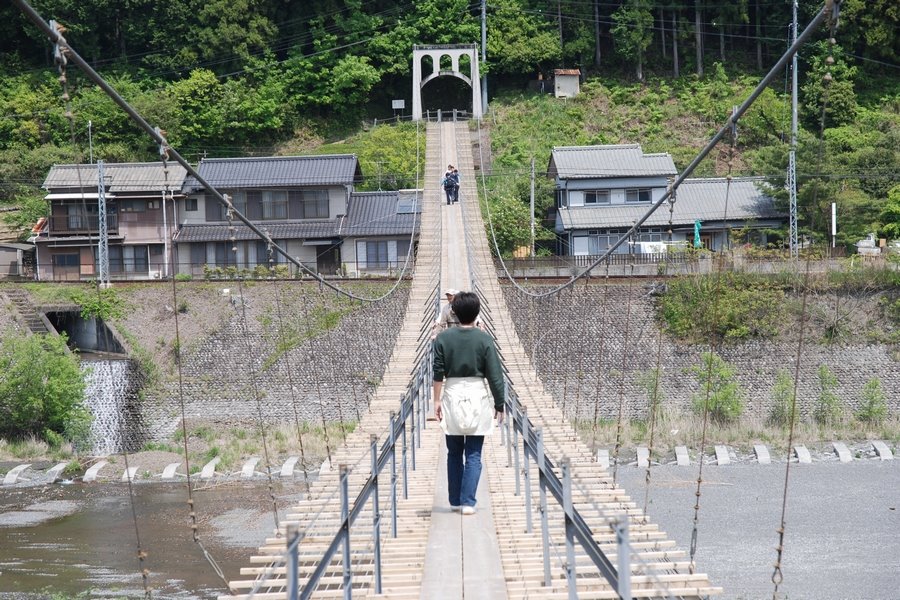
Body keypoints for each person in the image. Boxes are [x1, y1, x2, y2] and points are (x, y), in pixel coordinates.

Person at [432, 291, 505, 515]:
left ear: (453, 311)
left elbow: (437, 372)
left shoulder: (443, 339)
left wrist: (436, 400)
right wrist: (499, 403)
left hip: (451, 392)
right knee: (473, 453)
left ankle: (454, 500)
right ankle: (468, 503)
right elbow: (494, 375)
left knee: (453, 452)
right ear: (476, 313)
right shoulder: (484, 339)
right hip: (477, 394)